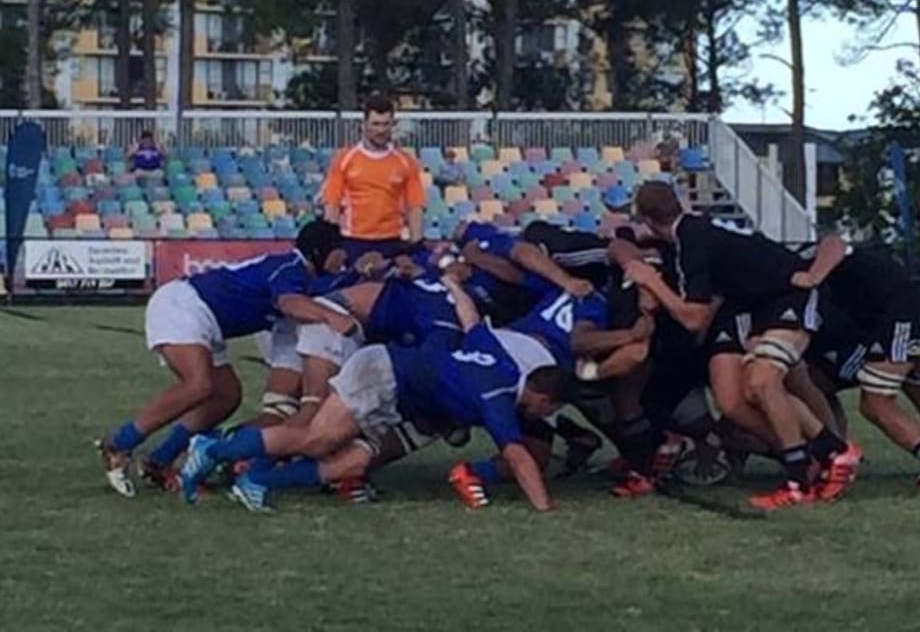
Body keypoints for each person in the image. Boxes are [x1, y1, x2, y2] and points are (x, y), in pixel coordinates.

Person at [180, 271, 570, 513]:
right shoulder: (500, 395)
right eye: (546, 411)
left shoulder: (498, 357)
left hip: (405, 398)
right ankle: (212, 449)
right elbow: (517, 457)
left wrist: (453, 285)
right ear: (541, 397)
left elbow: (469, 318)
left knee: (350, 463)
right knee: (315, 438)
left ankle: (258, 483)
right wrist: (544, 507)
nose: (541, 418)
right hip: (385, 372)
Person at [626, 182, 860, 510]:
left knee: (764, 382)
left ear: (649, 219)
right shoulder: (697, 230)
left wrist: (649, 281)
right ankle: (825, 452)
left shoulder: (690, 242)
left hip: (787, 298)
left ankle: (809, 469)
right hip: (758, 305)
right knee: (736, 399)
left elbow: (694, 318)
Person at [95, 221, 356, 498]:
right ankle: (120, 442)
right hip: (185, 305)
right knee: (199, 386)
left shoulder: (305, 275)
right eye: (339, 249)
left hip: (207, 320)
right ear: (321, 250)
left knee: (226, 396)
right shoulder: (290, 267)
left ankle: (160, 460)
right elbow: (289, 303)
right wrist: (333, 318)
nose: (343, 256)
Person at [792, 236, 920, 499]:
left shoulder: (796, 264)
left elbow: (834, 242)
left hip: (905, 308)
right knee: (919, 389)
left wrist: (813, 276)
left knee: (876, 402)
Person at [322, 95, 425, 264]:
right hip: (353, 240)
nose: (381, 130)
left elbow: (415, 207)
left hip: (391, 240)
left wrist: (416, 244)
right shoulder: (345, 159)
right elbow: (332, 204)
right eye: (375, 124)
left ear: (393, 125)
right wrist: (332, 245)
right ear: (364, 125)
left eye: (386, 124)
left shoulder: (405, 162)